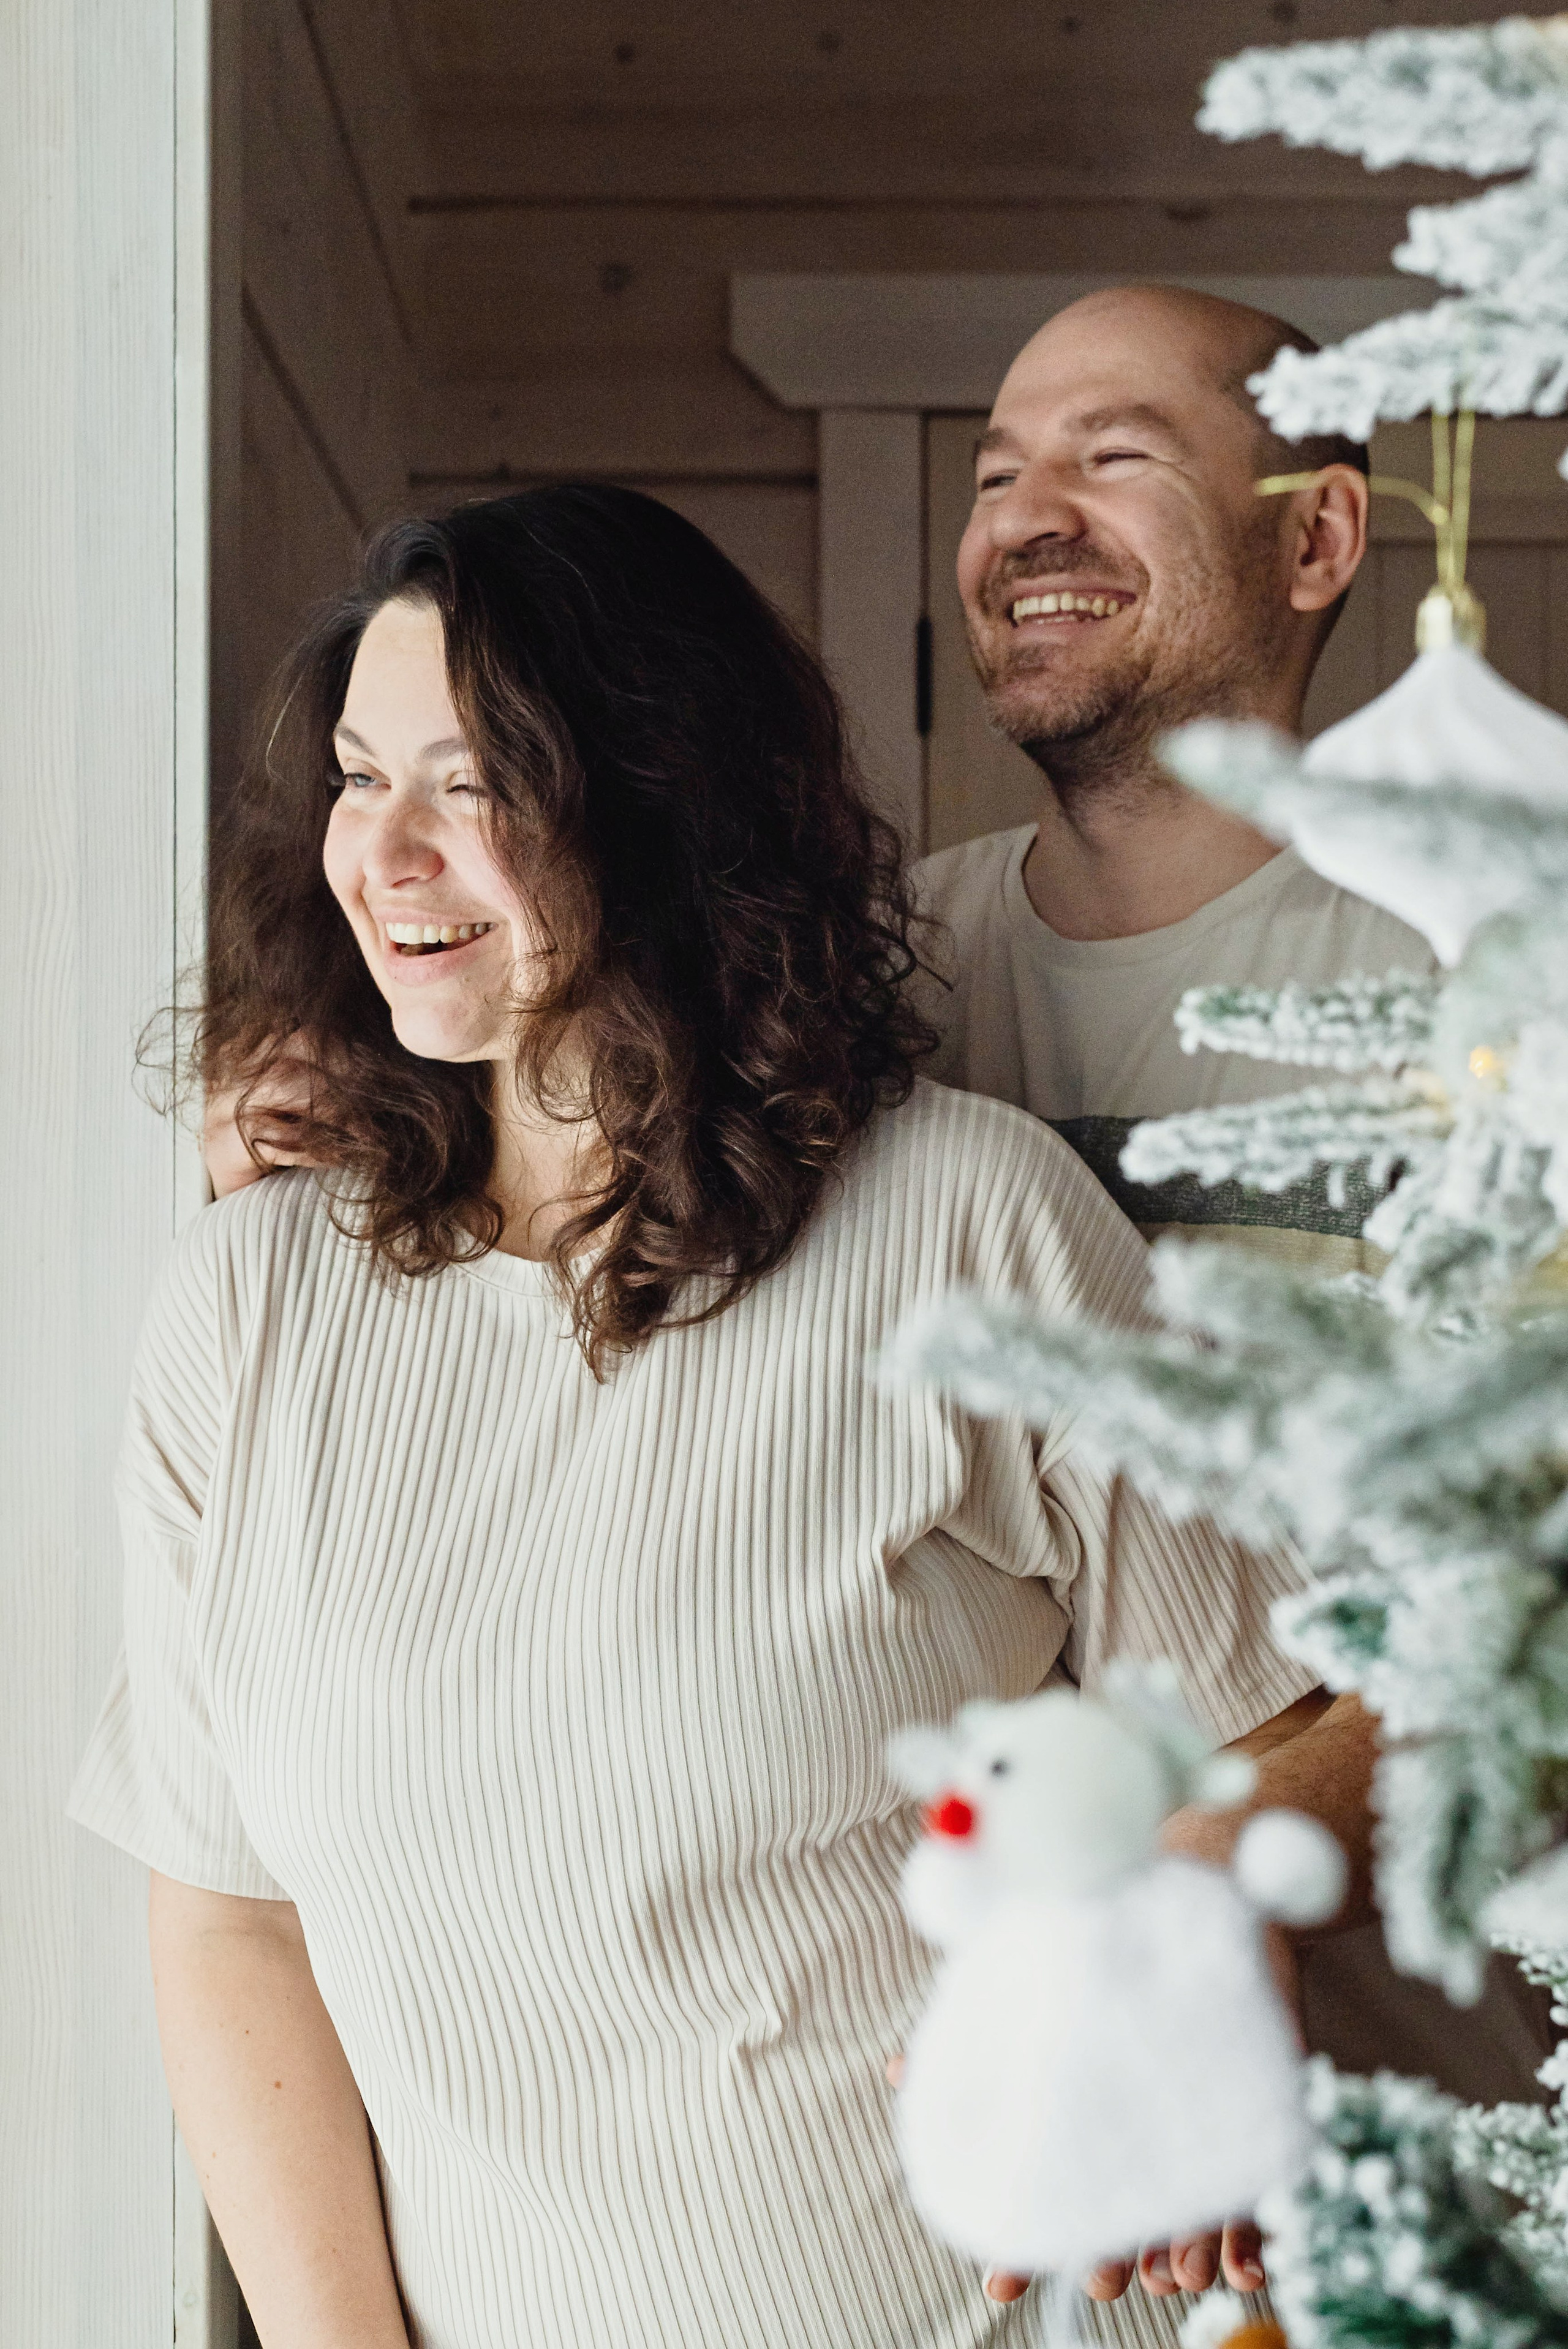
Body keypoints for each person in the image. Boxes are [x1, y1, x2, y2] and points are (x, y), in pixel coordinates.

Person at [74, 486, 1364, 2349]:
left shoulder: (970, 1228)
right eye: (362, 778)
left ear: (661, 792)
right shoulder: (245, 1305)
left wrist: (1181, 1952)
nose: (390, 852)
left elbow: (1289, 1723)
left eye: (474, 778)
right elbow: (227, 1909)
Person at [916, 282, 1551, 2315]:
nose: (1028, 513)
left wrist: (1204, 1871)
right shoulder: (853, 978)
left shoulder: (1496, 978)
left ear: (1315, 538)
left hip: (1417, 2159)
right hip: (998, 2172)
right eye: (1000, 470)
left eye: (1114, 455)